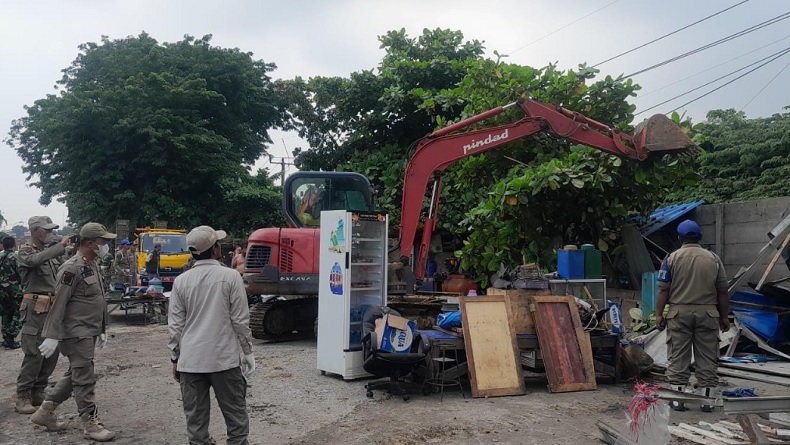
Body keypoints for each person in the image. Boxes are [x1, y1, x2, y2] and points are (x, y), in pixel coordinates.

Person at [168, 225, 255, 445]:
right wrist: (247, 351)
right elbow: (240, 321)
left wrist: (175, 358)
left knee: (196, 427)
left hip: (191, 362)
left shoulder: (181, 281)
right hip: (223, 361)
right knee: (236, 420)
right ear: (216, 249)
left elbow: (175, 326)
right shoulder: (231, 277)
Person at [31, 222, 116, 441]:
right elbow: (59, 302)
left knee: (76, 374)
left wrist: (103, 328)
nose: (106, 245)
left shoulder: (91, 264)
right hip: (76, 333)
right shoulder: (71, 268)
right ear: (90, 243)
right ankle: (90, 423)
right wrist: (51, 334)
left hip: (89, 330)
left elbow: (97, 299)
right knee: (84, 377)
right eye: (103, 241)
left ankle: (45, 411)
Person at [655, 219, 729, 412]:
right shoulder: (713, 258)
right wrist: (724, 317)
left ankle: (678, 401)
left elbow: (663, 291)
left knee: (678, 356)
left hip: (679, 313)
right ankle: (707, 401)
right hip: (708, 313)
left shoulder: (670, 258)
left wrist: (658, 315)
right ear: (700, 238)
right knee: (708, 357)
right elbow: (722, 291)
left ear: (679, 238)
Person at [14, 216, 70, 414]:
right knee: (34, 353)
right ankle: (23, 396)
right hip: (35, 307)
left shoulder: (51, 254)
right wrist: (58, 247)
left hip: (52, 308)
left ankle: (39, 390)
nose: (51, 234)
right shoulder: (26, 251)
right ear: (36, 232)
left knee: (51, 352)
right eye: (47, 231)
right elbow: (35, 260)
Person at [1, 236, 22, 349]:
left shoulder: (0, 255)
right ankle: (10, 337)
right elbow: (21, 272)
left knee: (5, 313)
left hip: (2, 291)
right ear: (14, 245)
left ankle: (5, 337)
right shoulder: (15, 257)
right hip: (14, 289)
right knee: (18, 312)